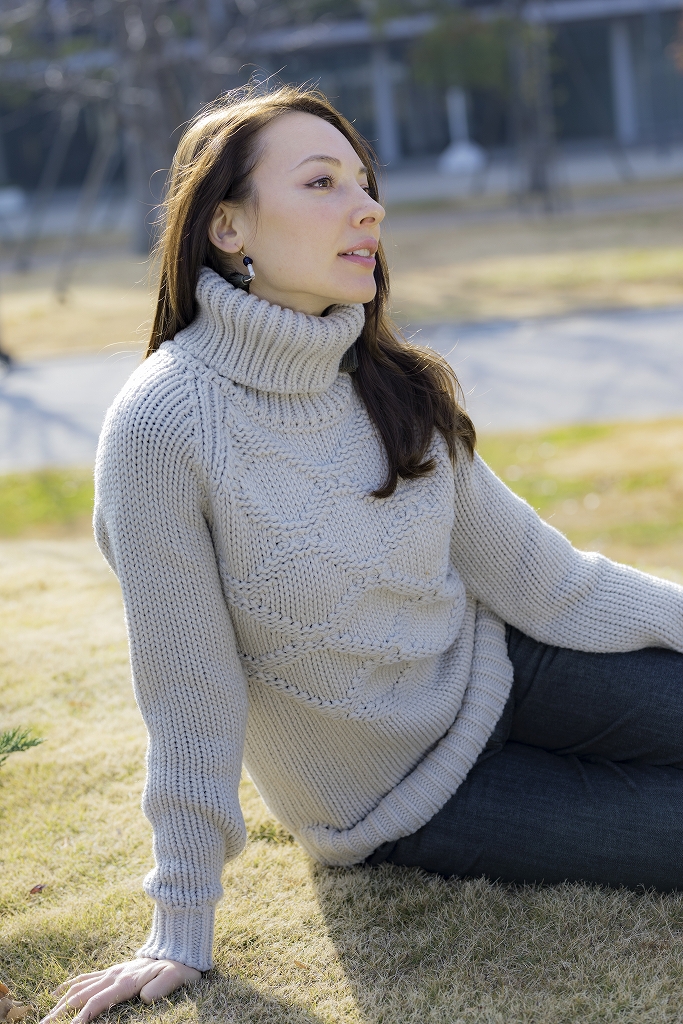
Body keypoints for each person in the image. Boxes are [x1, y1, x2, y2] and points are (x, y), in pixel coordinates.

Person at [42, 85, 683, 1024]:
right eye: (321, 183)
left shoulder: (391, 384)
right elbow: (189, 693)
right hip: (405, 796)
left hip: (501, 669)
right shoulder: (162, 427)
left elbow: (548, 583)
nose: (367, 207)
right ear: (227, 226)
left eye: (363, 181)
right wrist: (179, 925)